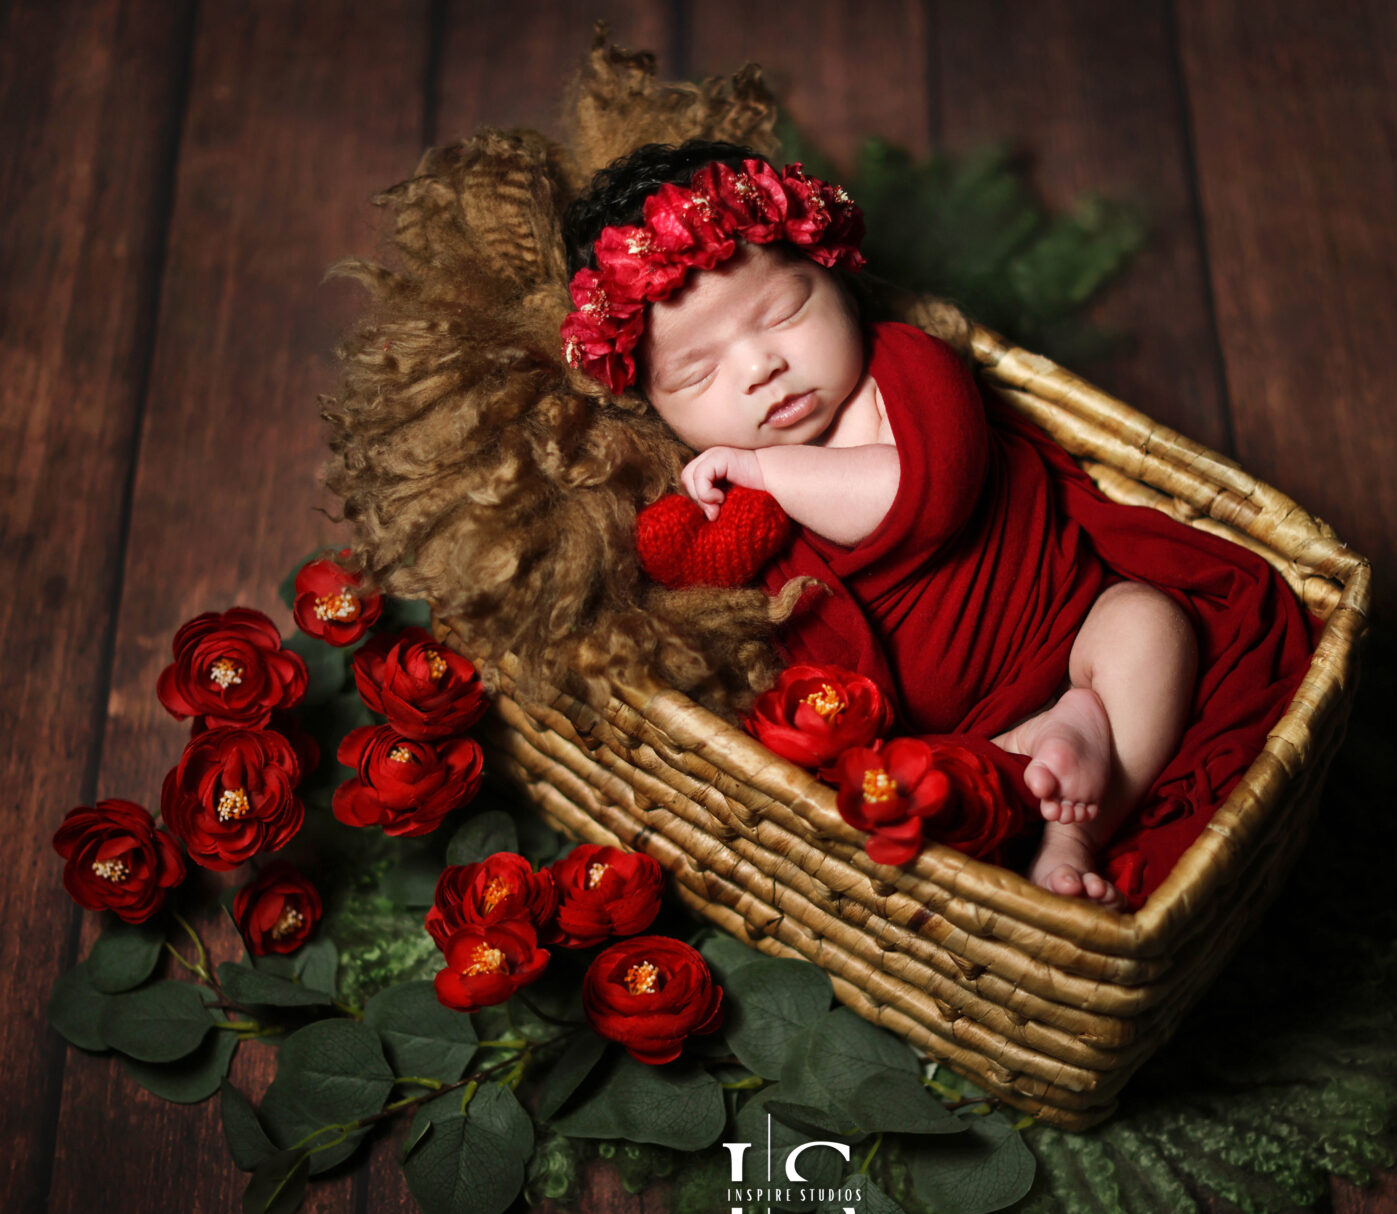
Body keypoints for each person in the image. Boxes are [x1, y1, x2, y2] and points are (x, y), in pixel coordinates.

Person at [561, 140, 1315, 911]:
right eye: (698, 373)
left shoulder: (905, 371)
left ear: (839, 281)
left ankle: (1076, 832)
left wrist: (769, 472)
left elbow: (919, 497)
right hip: (937, 741)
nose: (760, 368)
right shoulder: (723, 498)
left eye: (784, 313)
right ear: (656, 408)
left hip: (1065, 627)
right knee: (886, 794)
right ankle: (1046, 752)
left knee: (1152, 625)